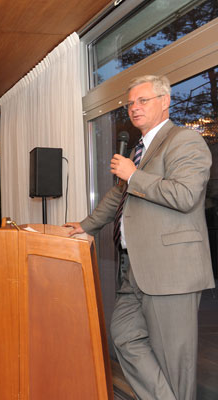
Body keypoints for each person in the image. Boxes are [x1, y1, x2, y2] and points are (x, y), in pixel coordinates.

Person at [64, 75, 213, 400]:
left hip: (171, 271)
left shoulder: (184, 141)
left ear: (165, 101)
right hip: (136, 269)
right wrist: (86, 226)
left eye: (143, 100)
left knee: (175, 362)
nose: (134, 108)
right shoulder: (140, 151)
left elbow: (185, 195)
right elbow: (118, 197)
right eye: (130, 103)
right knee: (123, 334)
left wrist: (134, 175)